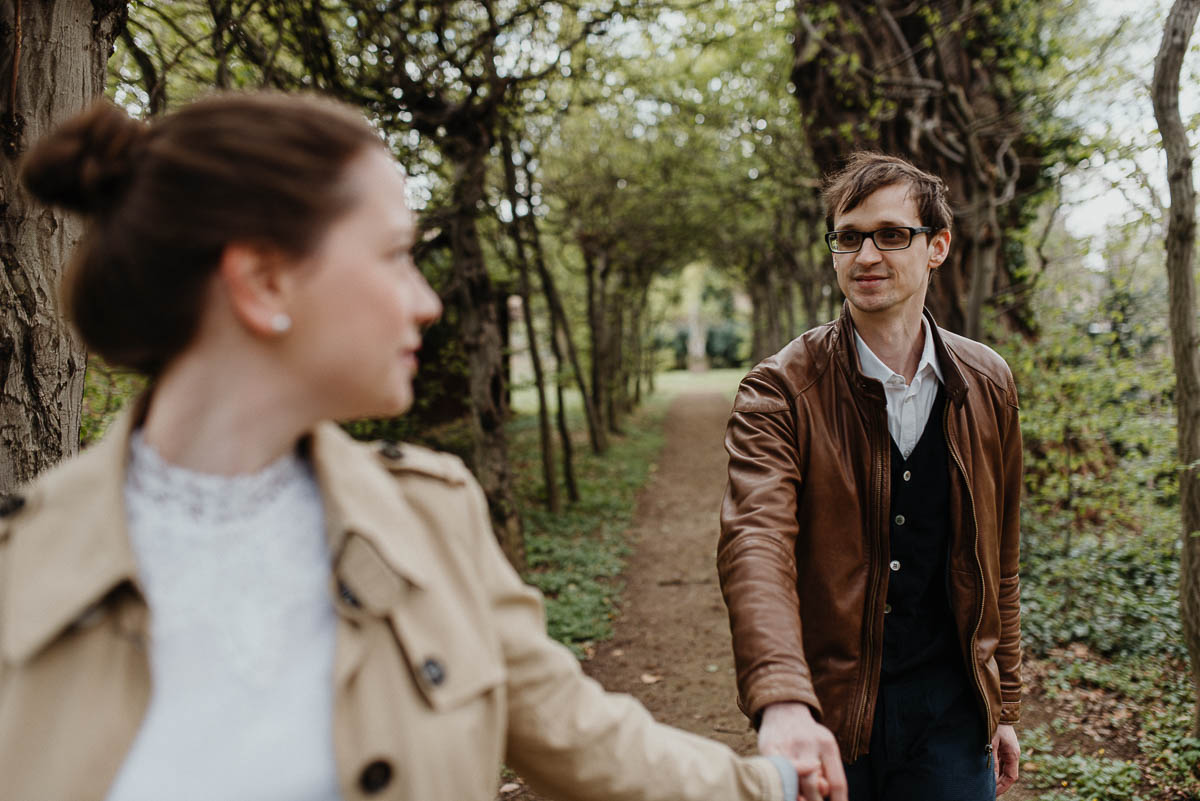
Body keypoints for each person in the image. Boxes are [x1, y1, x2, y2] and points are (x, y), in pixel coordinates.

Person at [0, 92, 802, 801]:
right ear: (264, 283)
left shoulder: (431, 516)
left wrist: (768, 783)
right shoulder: (20, 570)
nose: (426, 303)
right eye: (393, 255)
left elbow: (583, 738)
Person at [717, 152, 1023, 801]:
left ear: (936, 246)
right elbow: (754, 545)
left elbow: (1001, 560)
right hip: (827, 707)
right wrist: (782, 699)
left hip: (950, 713)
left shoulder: (989, 382)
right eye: (849, 237)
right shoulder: (780, 391)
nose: (866, 256)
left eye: (891, 234)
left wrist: (1005, 705)